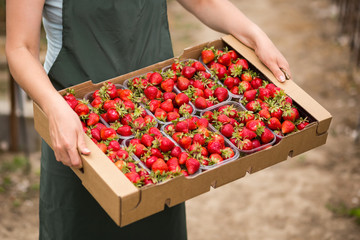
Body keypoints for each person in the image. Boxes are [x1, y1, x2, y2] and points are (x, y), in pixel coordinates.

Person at [5, 0, 291, 239]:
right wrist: (54, 107)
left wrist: (255, 36)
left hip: (159, 126)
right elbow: (20, 48)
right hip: (79, 125)